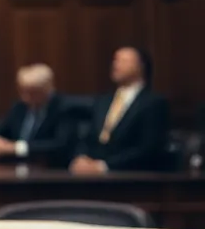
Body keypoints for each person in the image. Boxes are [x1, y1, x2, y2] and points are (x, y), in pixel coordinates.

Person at [71, 46, 169, 174]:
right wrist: (81, 157)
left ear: (141, 66)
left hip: (130, 178)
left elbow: (149, 148)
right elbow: (88, 137)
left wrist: (104, 166)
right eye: (115, 60)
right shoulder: (103, 101)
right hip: (92, 176)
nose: (116, 65)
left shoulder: (153, 103)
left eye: (124, 61)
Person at [0, 63, 72, 166]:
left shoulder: (63, 109)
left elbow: (59, 145)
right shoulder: (19, 108)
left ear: (47, 90)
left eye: (32, 93)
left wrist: (17, 148)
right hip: (15, 168)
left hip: (49, 170)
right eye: (23, 92)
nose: (26, 98)